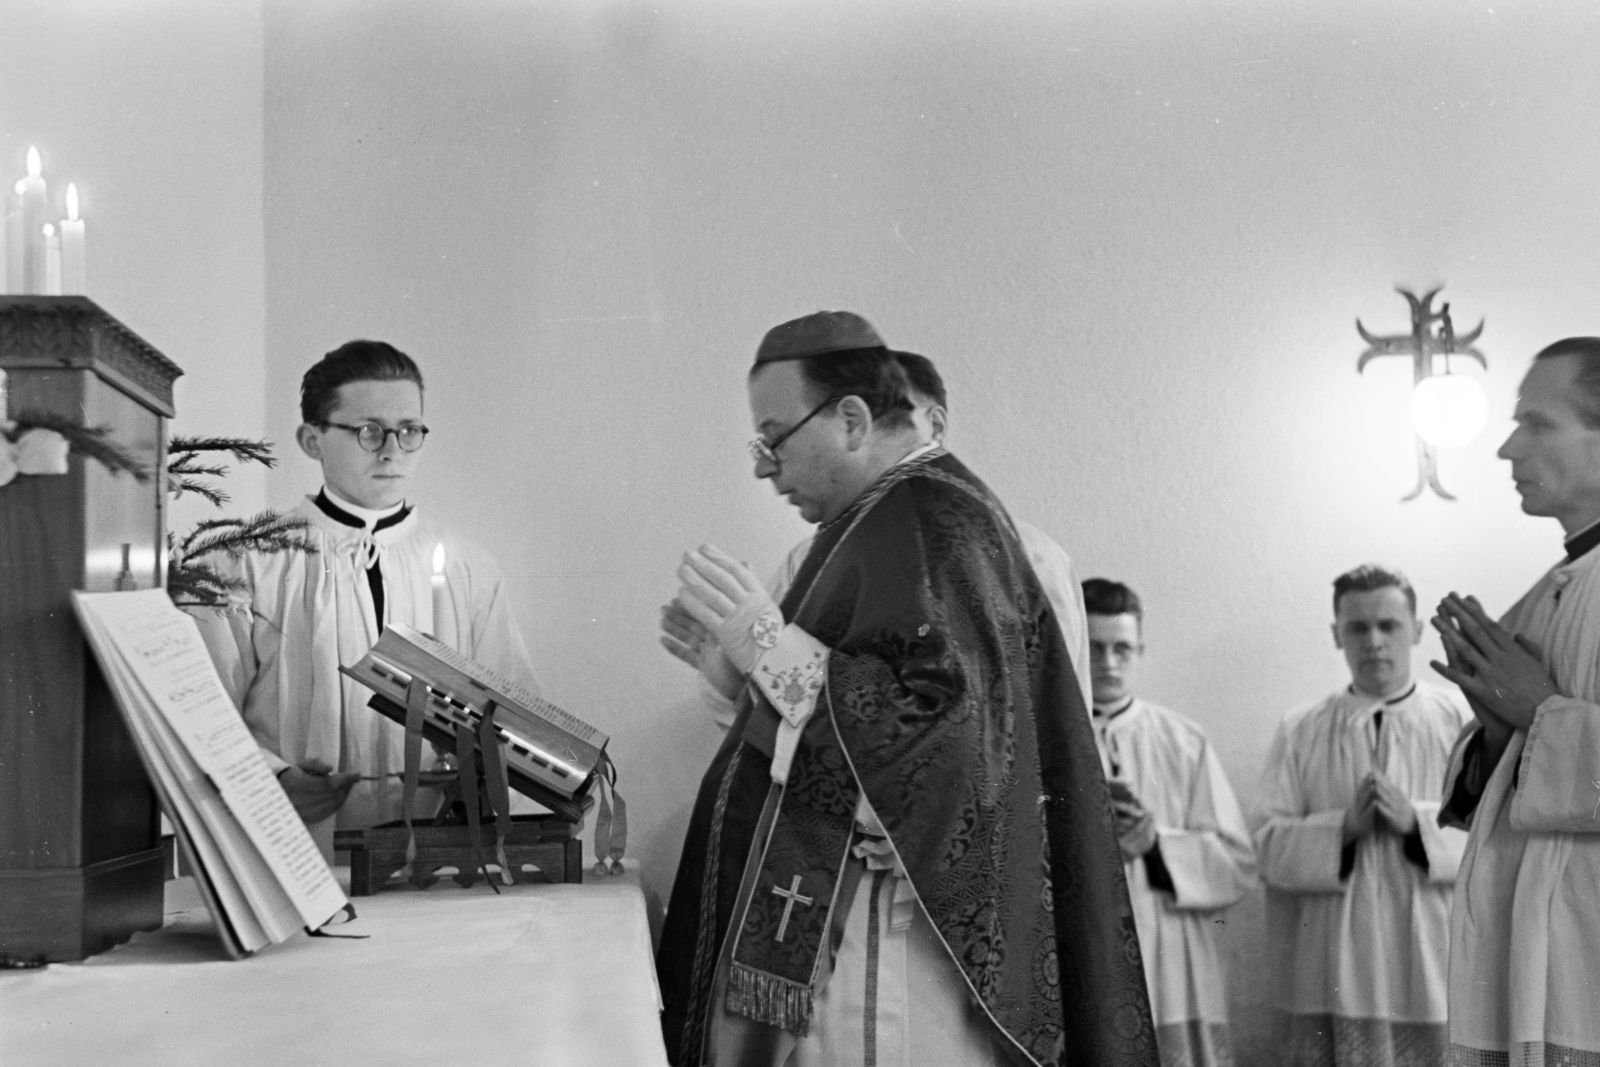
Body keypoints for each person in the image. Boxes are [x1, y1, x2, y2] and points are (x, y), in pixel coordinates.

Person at [656, 311, 1154, 1067]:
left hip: (904, 940)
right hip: (857, 917)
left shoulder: (930, 520)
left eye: (774, 439)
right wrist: (740, 664)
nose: (764, 470)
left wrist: (763, 639)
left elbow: (938, 741)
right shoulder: (877, 520)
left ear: (853, 420)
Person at [189, 340, 537, 854]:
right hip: (296, 847)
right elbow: (201, 711)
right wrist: (274, 779)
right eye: (369, 431)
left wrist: (489, 778)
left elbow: (512, 718)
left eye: (409, 430)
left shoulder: (469, 568)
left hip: (437, 859)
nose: (392, 451)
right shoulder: (247, 561)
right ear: (312, 440)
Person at [664, 350, 1092, 729]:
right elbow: (793, 749)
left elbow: (966, 740)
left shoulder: (1025, 555)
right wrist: (734, 683)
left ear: (933, 427)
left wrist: (771, 653)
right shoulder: (808, 561)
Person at [1431, 337, 1600, 1067]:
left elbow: (1544, 721)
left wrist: (1538, 717)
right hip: (1535, 958)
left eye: (1537, 423)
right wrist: (1500, 736)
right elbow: (1492, 785)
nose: (1508, 448)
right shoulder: (1541, 597)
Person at [1255, 565, 1471, 1067]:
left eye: (1388, 625)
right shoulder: (1301, 728)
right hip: (1336, 959)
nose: (1373, 642)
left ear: (1416, 630)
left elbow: (1500, 837)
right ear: (1337, 635)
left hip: (1437, 949)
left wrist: (1417, 826)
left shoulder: (1462, 719)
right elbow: (1264, 846)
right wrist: (1342, 830)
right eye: (1357, 628)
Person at [1083, 578, 1254, 1067]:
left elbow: (1237, 864)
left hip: (1172, 955)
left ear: (1140, 651)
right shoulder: (1043, 740)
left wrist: (1157, 843)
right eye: (1094, 648)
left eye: (1122, 648)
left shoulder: (1182, 739)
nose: (1109, 663)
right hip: (1084, 942)